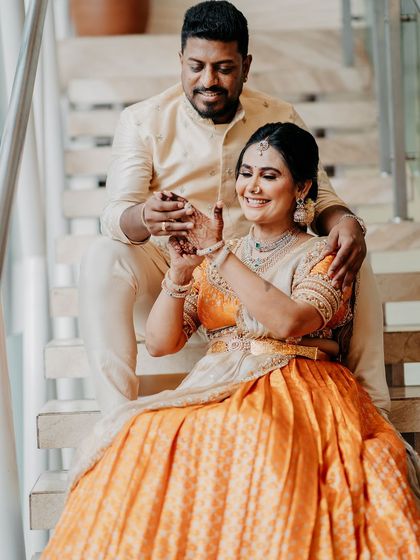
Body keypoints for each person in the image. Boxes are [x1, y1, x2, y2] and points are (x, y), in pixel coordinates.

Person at [42, 122, 419, 559]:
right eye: (246, 173)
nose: (252, 186)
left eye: (269, 175)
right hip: (220, 383)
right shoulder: (222, 252)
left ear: (302, 187)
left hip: (297, 382)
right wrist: (180, 274)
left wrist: (218, 252)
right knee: (143, 431)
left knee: (256, 431)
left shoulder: (322, 253)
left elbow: (290, 323)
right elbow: (163, 343)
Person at [79, 0, 390, 419]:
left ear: (245, 65)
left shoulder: (280, 116)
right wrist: (144, 217)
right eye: (196, 66)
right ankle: (115, 420)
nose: (208, 80)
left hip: (271, 264)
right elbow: (115, 214)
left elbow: (321, 198)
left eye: (224, 68)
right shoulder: (142, 120)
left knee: (350, 249)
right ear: (181, 61)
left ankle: (373, 404)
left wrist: (348, 223)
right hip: (180, 269)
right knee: (103, 254)